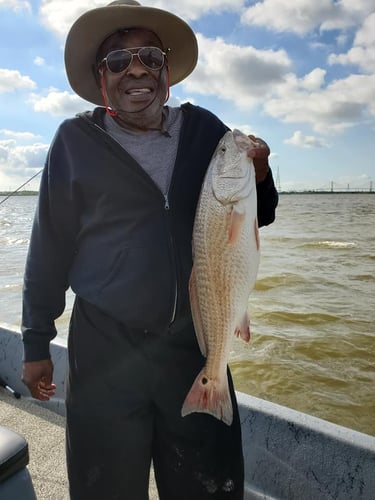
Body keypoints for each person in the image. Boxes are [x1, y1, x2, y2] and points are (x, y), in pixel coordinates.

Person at [21, 1, 278, 499]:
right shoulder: (73, 140)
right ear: (102, 77)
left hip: (193, 346)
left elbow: (256, 213)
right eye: (118, 61)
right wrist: (35, 345)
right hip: (104, 354)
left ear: (166, 70)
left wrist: (262, 174)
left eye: (149, 58)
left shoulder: (206, 130)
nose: (135, 69)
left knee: (210, 488)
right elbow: (47, 250)